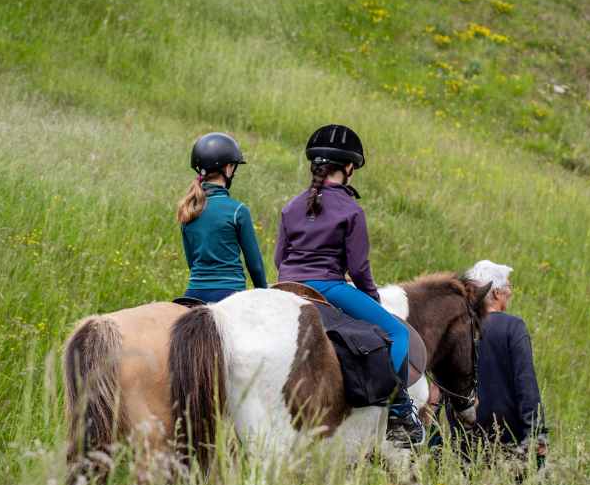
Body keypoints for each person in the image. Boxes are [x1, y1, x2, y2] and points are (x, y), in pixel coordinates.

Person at [274, 124, 423, 445]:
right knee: (398, 332)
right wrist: (372, 299)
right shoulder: (351, 210)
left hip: (285, 286)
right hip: (328, 287)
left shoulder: (291, 205)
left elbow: (278, 259)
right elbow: (358, 268)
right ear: (349, 166)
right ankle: (399, 412)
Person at [463, 260, 548, 465]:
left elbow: (439, 387)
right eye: (509, 287)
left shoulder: (459, 328)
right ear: (496, 293)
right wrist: (536, 433)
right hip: (508, 441)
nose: (510, 292)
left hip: (464, 437)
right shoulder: (513, 326)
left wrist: (436, 432)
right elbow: (525, 382)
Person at [177, 132, 268, 303]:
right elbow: (255, 265)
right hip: (228, 293)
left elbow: (192, 264)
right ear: (228, 168)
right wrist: (264, 294)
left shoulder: (187, 210)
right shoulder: (238, 210)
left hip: (193, 293)